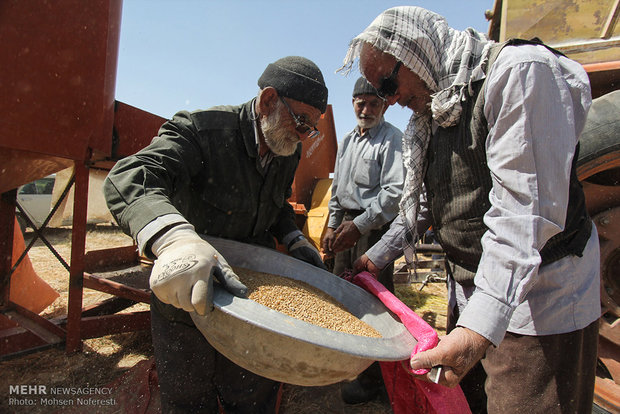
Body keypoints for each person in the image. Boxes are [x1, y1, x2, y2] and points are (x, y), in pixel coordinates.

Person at [339, 6, 600, 413]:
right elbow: (427, 201)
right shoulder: (434, 113)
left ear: (416, 50)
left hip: (538, 303)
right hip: (476, 296)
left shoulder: (518, 73)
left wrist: (479, 328)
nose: (390, 100)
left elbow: (523, 218)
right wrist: (375, 258)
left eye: (389, 83)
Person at [103, 56, 328, 413]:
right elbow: (131, 176)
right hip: (187, 301)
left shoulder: (287, 148)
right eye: (300, 121)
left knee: (252, 397)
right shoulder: (202, 130)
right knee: (188, 400)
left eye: (310, 128)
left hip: (253, 305)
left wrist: (294, 238)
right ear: (268, 100)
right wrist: (176, 240)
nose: (303, 135)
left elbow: (276, 206)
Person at [321, 77, 404, 404]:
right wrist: (332, 223)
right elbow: (338, 190)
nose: (365, 109)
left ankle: (376, 381)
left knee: (376, 304)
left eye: (373, 103)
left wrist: (359, 225)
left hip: (374, 230)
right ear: (352, 102)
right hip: (347, 228)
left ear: (383, 106)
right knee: (342, 295)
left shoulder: (391, 140)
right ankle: (349, 366)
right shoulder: (348, 141)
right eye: (360, 102)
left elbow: (394, 193)